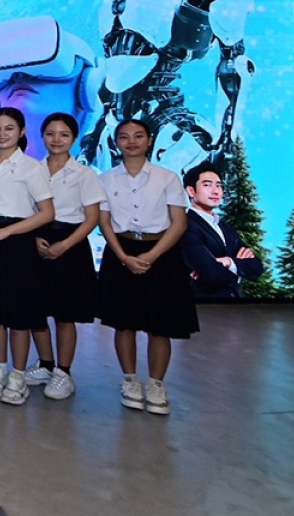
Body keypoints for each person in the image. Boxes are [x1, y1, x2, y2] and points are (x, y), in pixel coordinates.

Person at [97, 119, 195, 415]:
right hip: (121, 252)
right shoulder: (105, 179)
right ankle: (129, 380)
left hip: (161, 253)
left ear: (149, 140)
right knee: (123, 322)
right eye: (124, 137)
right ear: (116, 142)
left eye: (138, 136)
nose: (131, 142)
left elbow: (179, 223)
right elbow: (104, 222)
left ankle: (156, 384)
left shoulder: (167, 178)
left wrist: (152, 256)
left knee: (159, 326)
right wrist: (123, 257)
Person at [0, 107, 55, 406]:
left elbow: (47, 213)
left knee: (19, 314)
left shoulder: (31, 167)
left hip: (17, 243)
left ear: (21, 131)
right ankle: (0, 369)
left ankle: (18, 375)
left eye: (9, 128)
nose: (2, 133)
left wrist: (7, 232)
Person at [31, 113, 105, 400]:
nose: (56, 139)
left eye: (63, 134)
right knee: (36, 309)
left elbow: (92, 218)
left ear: (74, 138)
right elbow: (26, 209)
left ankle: (64, 372)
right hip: (36, 240)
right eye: (50, 133)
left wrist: (65, 245)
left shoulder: (84, 174)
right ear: (42, 136)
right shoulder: (33, 170)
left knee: (65, 314)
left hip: (70, 244)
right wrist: (34, 237)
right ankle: (45, 364)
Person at [180, 163, 263, 300]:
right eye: (207, 185)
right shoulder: (185, 226)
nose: (215, 191)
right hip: (203, 306)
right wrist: (239, 270)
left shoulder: (226, 229)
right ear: (191, 191)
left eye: (219, 186)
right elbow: (210, 272)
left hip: (234, 305)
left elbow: (257, 267)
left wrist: (228, 262)